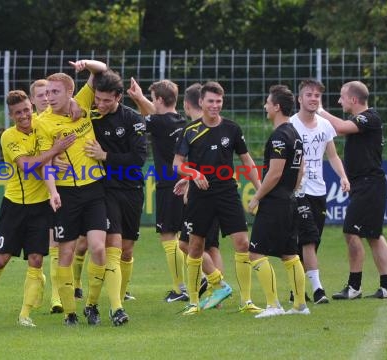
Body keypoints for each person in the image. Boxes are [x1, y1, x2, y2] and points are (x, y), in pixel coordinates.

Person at [37, 59, 130, 326]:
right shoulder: (43, 123)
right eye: (46, 93)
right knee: (65, 254)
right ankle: (69, 313)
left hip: (94, 191)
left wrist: (84, 64)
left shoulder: (83, 102)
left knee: (99, 248)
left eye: (55, 92)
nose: (49, 97)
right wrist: (53, 190)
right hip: (66, 194)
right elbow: (44, 162)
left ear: (70, 93)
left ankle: (91, 305)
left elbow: (102, 70)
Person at [0, 90, 75, 327]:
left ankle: (24, 314)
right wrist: (54, 151)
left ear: (32, 107)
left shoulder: (41, 127)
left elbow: (63, 119)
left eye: (26, 110)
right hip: (15, 205)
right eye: (18, 112)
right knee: (1, 260)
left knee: (36, 259)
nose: (24, 115)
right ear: (11, 115)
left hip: (40, 206)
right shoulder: (8, 137)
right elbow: (27, 166)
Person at [173, 81, 263, 315]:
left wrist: (260, 191)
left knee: (243, 243)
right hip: (200, 196)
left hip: (227, 193)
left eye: (219, 101)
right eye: (211, 101)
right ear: (200, 102)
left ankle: (246, 301)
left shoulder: (232, 129)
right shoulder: (190, 131)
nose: (215, 105)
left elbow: (247, 161)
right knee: (195, 246)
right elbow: (177, 165)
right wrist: (194, 174)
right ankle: (193, 303)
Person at [317, 81, 387, 300]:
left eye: (342, 97)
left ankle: (354, 287)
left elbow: (341, 128)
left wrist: (320, 110)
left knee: (351, 231)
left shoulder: (369, 117)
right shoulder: (362, 120)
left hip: (369, 184)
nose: (339, 101)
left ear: (353, 99)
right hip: (366, 185)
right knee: (373, 235)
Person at [83, 68, 147, 312]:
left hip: (131, 189)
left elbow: (138, 158)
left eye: (106, 100)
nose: (100, 104)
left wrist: (105, 155)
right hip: (103, 190)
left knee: (127, 251)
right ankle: (113, 305)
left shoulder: (132, 119)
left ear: (118, 97)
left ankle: (118, 296)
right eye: (97, 99)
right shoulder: (89, 117)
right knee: (112, 246)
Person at [247, 84, 309, 318]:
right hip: (289, 200)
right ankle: (300, 305)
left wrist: (256, 197)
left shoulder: (279, 136)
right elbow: (300, 170)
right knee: (289, 254)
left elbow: (274, 173)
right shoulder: (295, 133)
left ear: (276, 106)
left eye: (267, 102)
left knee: (255, 253)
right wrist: (289, 192)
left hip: (275, 203)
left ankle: (273, 305)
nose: (265, 106)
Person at [127, 78, 189, 302]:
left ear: (160, 100)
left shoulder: (158, 122)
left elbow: (141, 119)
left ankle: (182, 287)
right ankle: (194, 283)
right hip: (185, 179)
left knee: (168, 235)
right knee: (185, 236)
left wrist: (135, 99)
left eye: (154, 99)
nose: (151, 102)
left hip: (168, 183)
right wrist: (141, 97)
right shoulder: (179, 120)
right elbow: (156, 114)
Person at [289, 79, 350, 304]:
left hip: (319, 191)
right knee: (308, 238)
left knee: (312, 241)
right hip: (298, 191)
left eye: (317, 96)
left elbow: (332, 155)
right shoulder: (291, 125)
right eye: (309, 95)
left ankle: (296, 286)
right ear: (299, 99)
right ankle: (318, 290)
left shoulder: (325, 125)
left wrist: (343, 176)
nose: (313, 99)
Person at [29, 79, 64, 314]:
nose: (45, 98)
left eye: (48, 93)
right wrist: (49, 159)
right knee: (41, 249)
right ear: (32, 99)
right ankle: (45, 287)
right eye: (39, 95)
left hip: (64, 189)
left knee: (60, 243)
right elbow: (28, 162)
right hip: (35, 194)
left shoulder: (61, 118)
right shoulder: (29, 125)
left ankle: (57, 296)